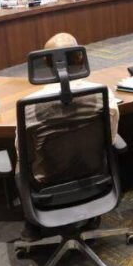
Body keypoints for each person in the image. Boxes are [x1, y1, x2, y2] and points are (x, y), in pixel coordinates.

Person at [18, 33, 120, 188]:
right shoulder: (102, 95)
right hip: (96, 175)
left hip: (47, 187)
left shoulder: (29, 106)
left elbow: (24, 154)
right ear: (80, 57)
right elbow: (110, 139)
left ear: (45, 61)